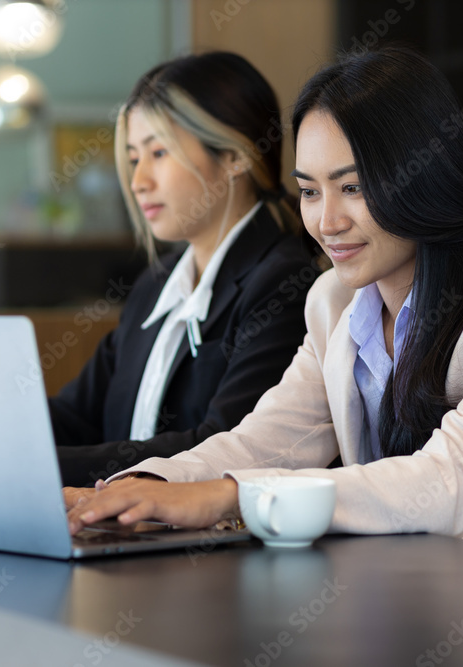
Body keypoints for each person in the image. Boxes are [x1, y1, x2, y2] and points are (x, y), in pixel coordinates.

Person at [64, 45, 463, 563]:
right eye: (308, 191)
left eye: (352, 187)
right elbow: (266, 440)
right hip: (398, 611)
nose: (326, 221)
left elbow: (452, 479)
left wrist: (227, 495)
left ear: (422, 176)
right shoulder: (332, 301)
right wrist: (134, 486)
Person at [51, 52, 321, 487]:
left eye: (159, 152)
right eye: (134, 157)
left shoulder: (285, 283)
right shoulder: (155, 285)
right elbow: (76, 415)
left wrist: (39, 467)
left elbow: (222, 446)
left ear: (234, 156)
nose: (139, 180)